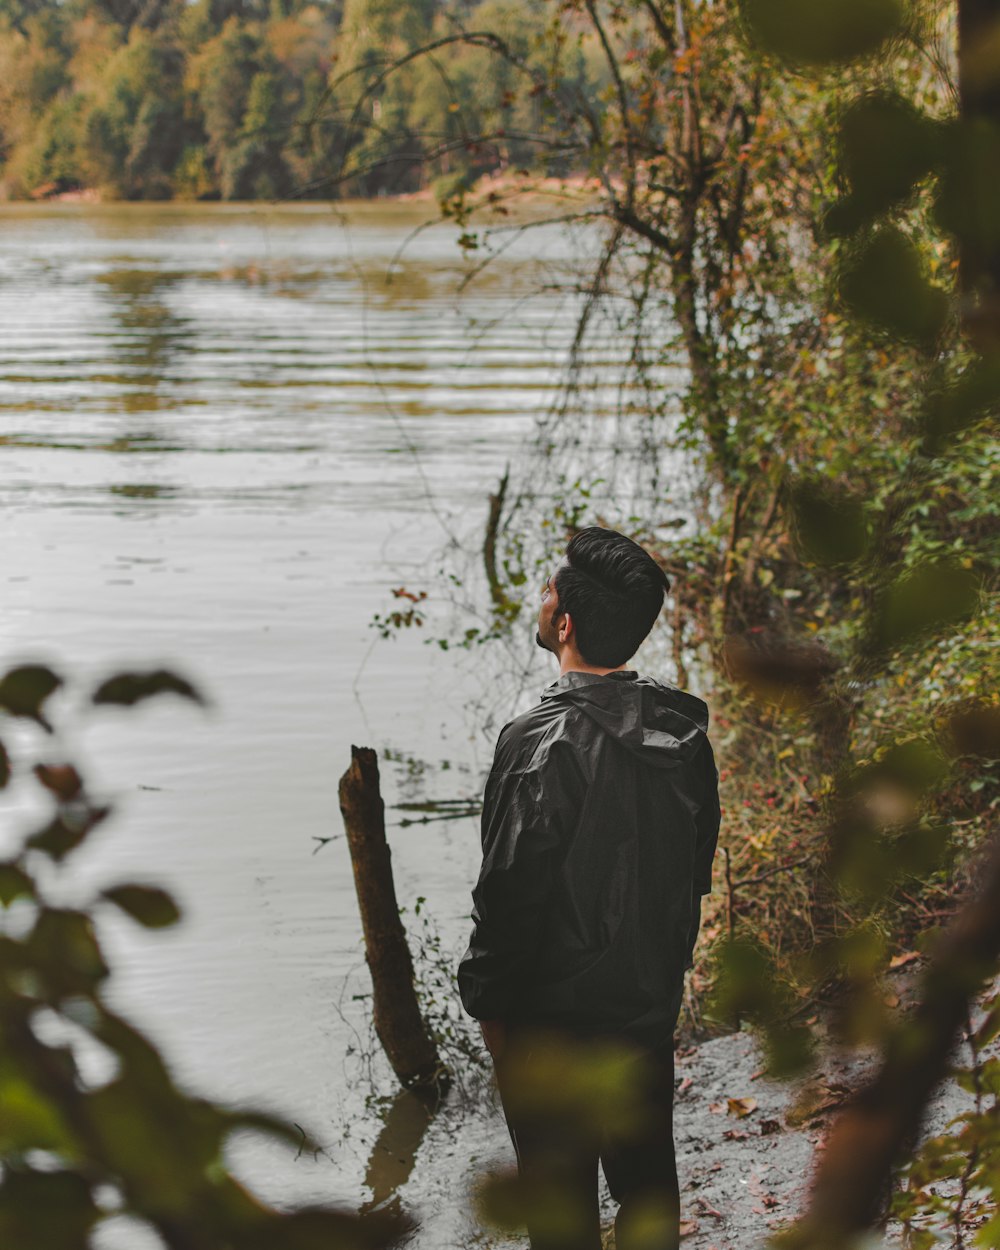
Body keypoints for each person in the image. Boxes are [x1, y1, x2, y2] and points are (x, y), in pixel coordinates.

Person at [458, 526, 720, 1250]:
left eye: (547, 590)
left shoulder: (536, 742)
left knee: (560, 1215)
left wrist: (488, 1006)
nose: (541, 600)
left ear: (564, 623)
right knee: (647, 1193)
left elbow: (508, 895)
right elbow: (692, 876)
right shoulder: (686, 729)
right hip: (642, 1005)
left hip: (551, 1021)